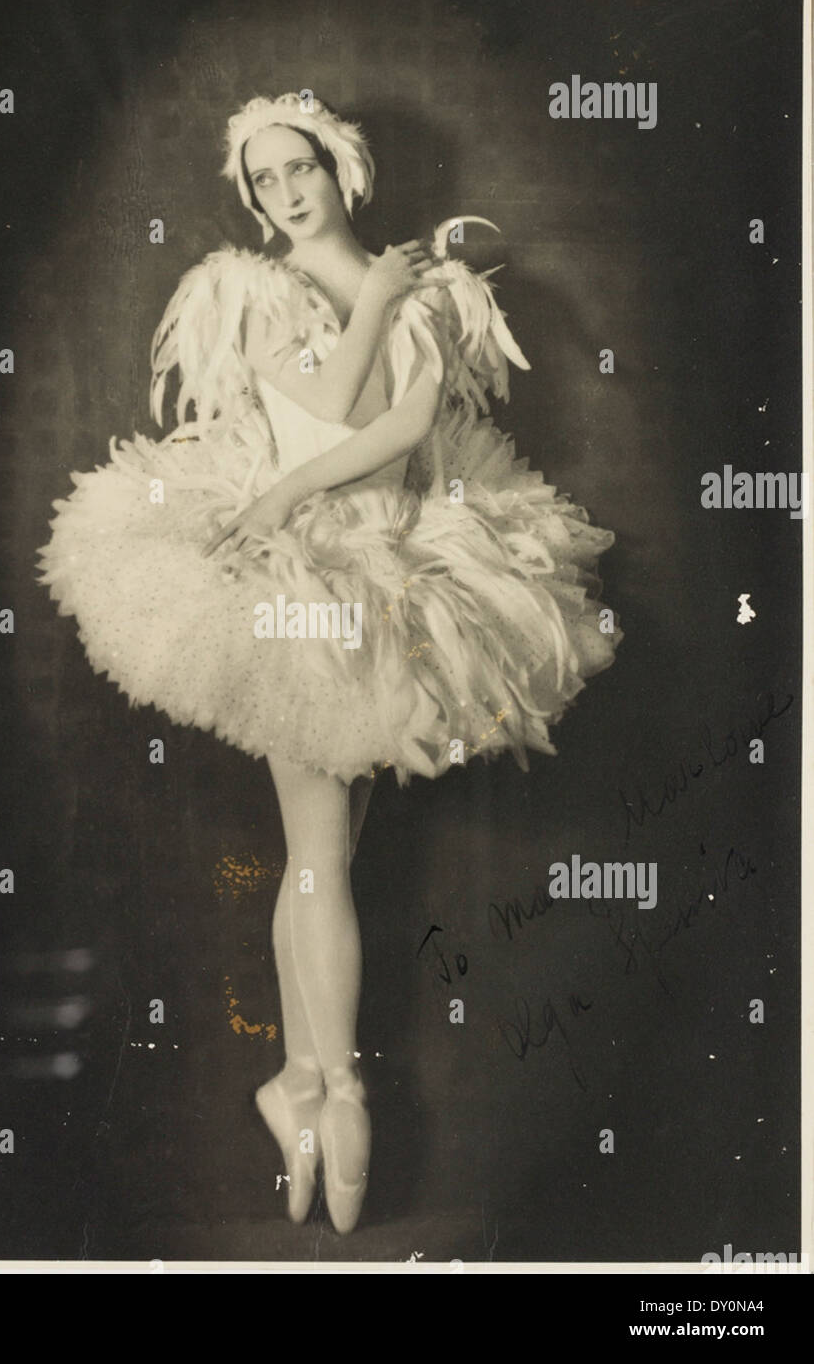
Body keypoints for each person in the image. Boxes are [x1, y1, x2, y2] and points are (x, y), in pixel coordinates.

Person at [36, 90, 623, 1236]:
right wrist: (291, 482)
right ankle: (338, 1086)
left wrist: (396, 300)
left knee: (326, 852)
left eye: (297, 165)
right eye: (261, 180)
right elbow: (321, 409)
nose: (283, 192)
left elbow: (405, 431)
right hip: (291, 580)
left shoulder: (428, 293)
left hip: (392, 566)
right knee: (317, 855)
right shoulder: (248, 292)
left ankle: (298, 1081)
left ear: (339, 166)